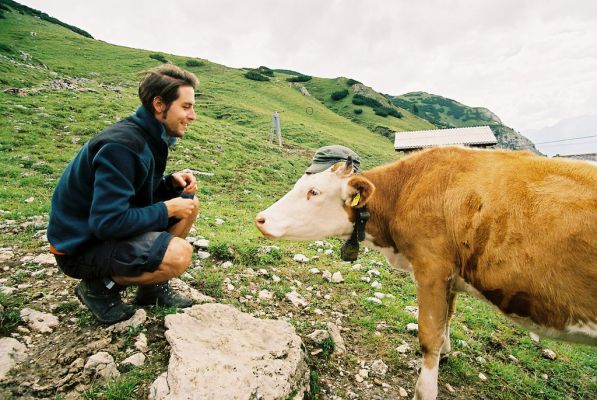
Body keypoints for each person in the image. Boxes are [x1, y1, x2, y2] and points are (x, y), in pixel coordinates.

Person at [48, 65, 201, 324]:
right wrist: (167, 209)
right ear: (159, 105)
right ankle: (98, 289)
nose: (193, 115)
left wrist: (167, 185)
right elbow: (107, 222)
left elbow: (134, 194)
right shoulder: (122, 146)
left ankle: (151, 288)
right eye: (186, 107)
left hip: (98, 233)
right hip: (78, 248)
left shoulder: (149, 136)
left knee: (189, 204)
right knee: (178, 254)